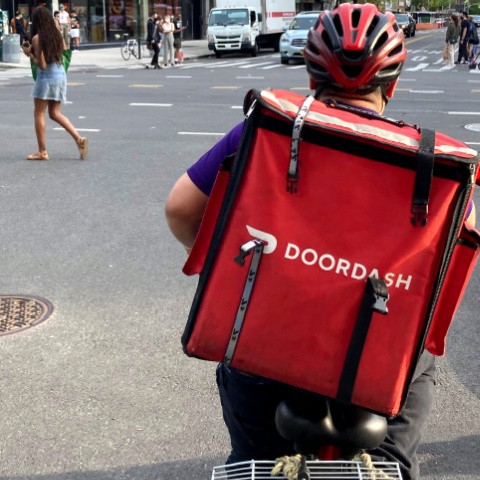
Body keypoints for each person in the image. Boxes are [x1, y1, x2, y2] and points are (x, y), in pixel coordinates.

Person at [164, 5, 461, 480]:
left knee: (255, 458)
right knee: (389, 462)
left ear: (309, 76)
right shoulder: (434, 162)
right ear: (394, 84)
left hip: (267, 344)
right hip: (373, 363)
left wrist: (218, 263)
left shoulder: (264, 131)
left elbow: (181, 208)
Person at [20, 6, 87, 161]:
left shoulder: (37, 38)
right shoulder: (57, 35)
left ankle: (42, 151)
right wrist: (33, 50)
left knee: (39, 113)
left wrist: (30, 54)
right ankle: (79, 139)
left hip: (46, 78)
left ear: (36, 21)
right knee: (55, 113)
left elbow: (41, 65)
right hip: (60, 75)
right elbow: (62, 52)